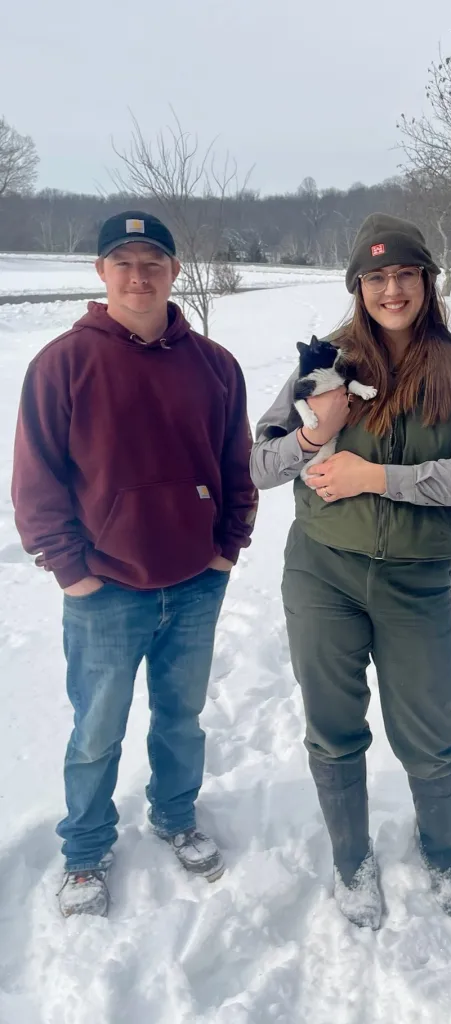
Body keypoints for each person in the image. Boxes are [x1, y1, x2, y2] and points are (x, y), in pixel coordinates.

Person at [251, 214, 451, 928]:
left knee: (428, 729)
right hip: (322, 575)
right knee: (332, 725)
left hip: (416, 582)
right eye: (377, 277)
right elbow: (257, 465)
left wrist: (372, 477)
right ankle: (352, 860)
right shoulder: (323, 363)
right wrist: (314, 432)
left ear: (427, 281)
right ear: (358, 286)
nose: (393, 289)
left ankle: (442, 851)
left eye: (406, 275)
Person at [12, 211, 256, 918]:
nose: (139, 275)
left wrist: (225, 548)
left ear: (176, 272)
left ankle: (175, 816)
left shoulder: (214, 365)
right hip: (104, 591)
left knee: (181, 717)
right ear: (101, 273)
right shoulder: (63, 363)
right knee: (97, 731)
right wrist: (71, 571)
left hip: (194, 583)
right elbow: (35, 482)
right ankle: (85, 851)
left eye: (153, 261)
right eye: (123, 261)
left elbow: (238, 465)